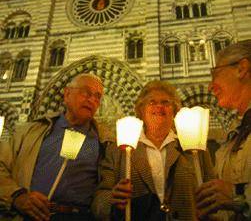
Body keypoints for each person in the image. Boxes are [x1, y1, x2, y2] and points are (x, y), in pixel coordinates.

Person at [92, 80, 215, 221]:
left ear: (174, 111)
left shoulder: (194, 148)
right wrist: (112, 199)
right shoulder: (117, 150)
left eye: (166, 103)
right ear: (141, 111)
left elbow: (212, 194)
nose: (159, 106)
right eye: (152, 102)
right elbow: (99, 201)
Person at [0, 73, 112, 221]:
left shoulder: (105, 141)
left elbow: (105, 190)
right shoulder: (30, 131)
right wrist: (17, 196)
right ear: (66, 94)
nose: (92, 99)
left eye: (97, 96)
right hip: (28, 215)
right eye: (86, 92)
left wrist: (111, 201)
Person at [196, 40, 251, 220]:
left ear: (241, 69)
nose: (211, 86)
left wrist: (238, 196)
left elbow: (233, 195)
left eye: (215, 74)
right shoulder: (236, 133)